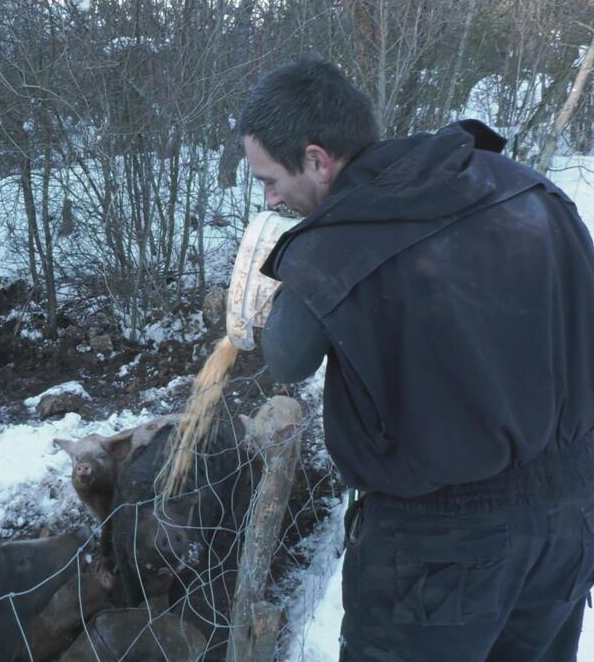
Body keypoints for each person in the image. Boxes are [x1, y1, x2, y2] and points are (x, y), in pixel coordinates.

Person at [239, 58, 594, 661]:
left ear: (319, 160)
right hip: (570, 518)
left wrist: (272, 277)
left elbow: (286, 357)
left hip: (440, 545)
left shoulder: (337, 238)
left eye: (270, 179)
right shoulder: (518, 184)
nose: (271, 197)